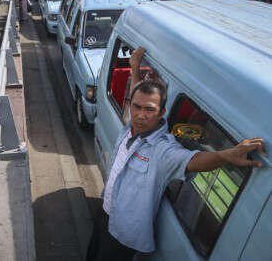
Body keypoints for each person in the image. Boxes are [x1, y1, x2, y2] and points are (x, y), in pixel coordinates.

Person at [86, 47, 265, 261]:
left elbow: (193, 160)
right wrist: (134, 68)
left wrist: (226, 155)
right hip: (105, 210)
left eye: (150, 110)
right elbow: (137, 94)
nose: (141, 115)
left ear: (162, 113)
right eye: (136, 108)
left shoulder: (162, 149)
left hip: (122, 234)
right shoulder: (131, 127)